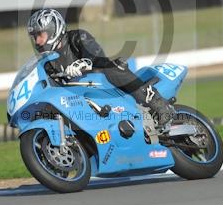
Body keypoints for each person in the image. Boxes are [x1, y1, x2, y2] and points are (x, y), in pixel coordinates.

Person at [27, 8, 175, 127]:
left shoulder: (77, 37)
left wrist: (82, 63)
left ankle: (157, 102)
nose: (37, 41)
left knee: (110, 67)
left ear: (54, 30)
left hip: (100, 83)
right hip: (79, 98)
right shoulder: (47, 62)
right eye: (34, 37)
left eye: (40, 35)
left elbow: (97, 57)